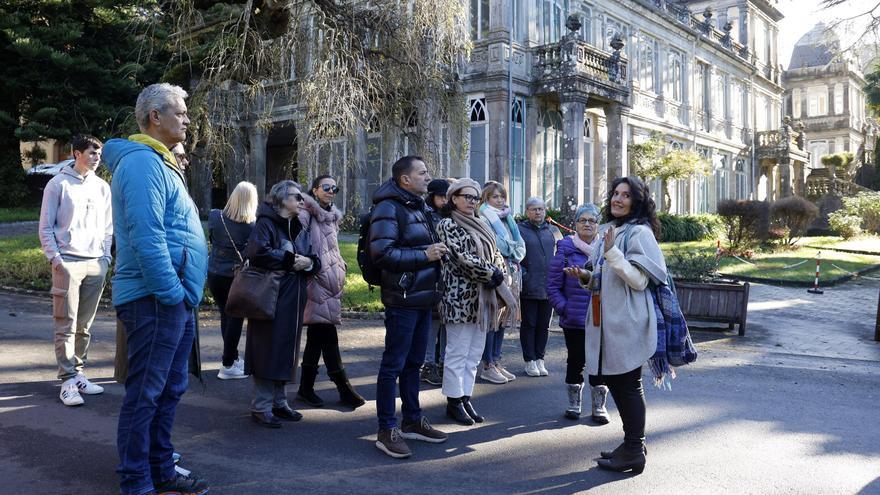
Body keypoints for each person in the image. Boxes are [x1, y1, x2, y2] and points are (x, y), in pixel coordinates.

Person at [104, 83, 210, 495]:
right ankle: (136, 480)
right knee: (146, 394)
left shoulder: (162, 163)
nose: (187, 119)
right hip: (155, 298)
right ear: (155, 117)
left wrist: (182, 295)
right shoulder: (142, 164)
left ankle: (161, 469)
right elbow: (147, 237)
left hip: (171, 298)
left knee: (168, 390)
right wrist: (173, 293)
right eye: (181, 113)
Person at [566, 176, 668, 475]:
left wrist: (611, 252)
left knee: (628, 385)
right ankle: (631, 444)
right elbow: (605, 276)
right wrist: (585, 278)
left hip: (628, 321)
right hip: (608, 321)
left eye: (625, 195)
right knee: (619, 384)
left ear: (637, 201)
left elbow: (639, 280)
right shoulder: (614, 230)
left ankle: (634, 449)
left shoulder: (639, 233)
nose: (617, 199)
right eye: (615, 193)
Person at [369, 155, 449, 459]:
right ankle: (386, 429)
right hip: (402, 299)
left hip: (423, 298)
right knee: (393, 365)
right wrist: (425, 255)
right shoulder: (389, 207)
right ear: (405, 179)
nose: (428, 177)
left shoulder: (420, 206)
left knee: (414, 364)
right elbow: (382, 254)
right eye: (423, 173)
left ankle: (412, 420)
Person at [38, 134, 112, 407]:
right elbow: (45, 226)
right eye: (92, 153)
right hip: (67, 262)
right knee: (65, 323)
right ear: (76, 153)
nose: (96, 158)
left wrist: (105, 257)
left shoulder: (102, 187)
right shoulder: (57, 184)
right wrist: (56, 259)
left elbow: (107, 226)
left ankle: (79, 372)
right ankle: (67, 380)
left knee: (85, 325)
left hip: (95, 262)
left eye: (99, 154)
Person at [436, 178, 514, 425]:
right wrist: (494, 275)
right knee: (457, 352)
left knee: (474, 354)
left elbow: (497, 255)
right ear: (454, 198)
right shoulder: (447, 224)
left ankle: (465, 396)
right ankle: (453, 400)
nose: (471, 201)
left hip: (484, 299)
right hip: (459, 297)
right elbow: (463, 258)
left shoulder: (482, 223)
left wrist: (500, 274)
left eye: (474, 197)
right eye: (466, 196)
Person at [244, 180, 320, 428]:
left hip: (293, 297)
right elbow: (257, 253)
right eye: (297, 197)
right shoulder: (266, 223)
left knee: (286, 349)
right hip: (270, 297)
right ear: (281, 199)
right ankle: (261, 406)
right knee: (268, 349)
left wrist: (307, 263)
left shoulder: (298, 226)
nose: (302, 201)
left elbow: (312, 258)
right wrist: (291, 260)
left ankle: (279, 402)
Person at [296, 175, 365, 409]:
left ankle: (306, 388)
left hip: (330, 282)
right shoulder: (305, 212)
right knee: (326, 334)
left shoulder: (331, 216)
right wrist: (311, 266)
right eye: (326, 187)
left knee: (317, 336)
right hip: (315, 280)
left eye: (335, 188)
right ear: (314, 190)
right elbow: (298, 243)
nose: (331, 191)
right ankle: (343, 386)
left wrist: (340, 266)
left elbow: (331, 248)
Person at [547, 203, 609, 423]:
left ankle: (599, 406)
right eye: (582, 220)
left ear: (598, 225)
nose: (587, 224)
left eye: (592, 220)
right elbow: (553, 285)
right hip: (574, 318)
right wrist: (564, 308)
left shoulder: (606, 249)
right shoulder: (564, 248)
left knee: (599, 360)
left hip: (601, 318)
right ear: (575, 225)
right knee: (576, 360)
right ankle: (574, 405)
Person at [207, 181, 258, 380]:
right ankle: (227, 364)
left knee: (225, 315)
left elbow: (212, 240)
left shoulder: (215, 216)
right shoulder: (253, 226)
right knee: (235, 317)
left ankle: (233, 359)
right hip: (236, 276)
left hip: (214, 273)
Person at [477, 181, 525, 384]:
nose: (500, 200)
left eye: (502, 196)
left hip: (512, 272)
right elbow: (501, 246)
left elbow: (521, 247)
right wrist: (513, 248)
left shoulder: (507, 218)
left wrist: (514, 248)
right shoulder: (484, 217)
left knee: (504, 317)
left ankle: (496, 360)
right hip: (496, 273)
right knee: (493, 318)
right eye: (495, 197)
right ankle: (487, 364)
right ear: (486, 199)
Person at [517, 196, 562, 377]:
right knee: (529, 324)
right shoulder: (519, 230)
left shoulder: (554, 230)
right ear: (527, 211)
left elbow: (561, 255)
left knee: (544, 325)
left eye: (541, 209)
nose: (538, 212)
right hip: (529, 286)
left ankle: (540, 359)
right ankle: (529, 360)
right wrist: (525, 277)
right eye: (534, 209)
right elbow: (515, 256)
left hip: (549, 286)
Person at [419, 178, 451, 387]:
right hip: (431, 275)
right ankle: (429, 364)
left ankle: (442, 363)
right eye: (441, 197)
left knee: (446, 320)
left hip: (448, 276)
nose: (445, 201)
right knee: (433, 321)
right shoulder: (426, 215)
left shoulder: (449, 216)